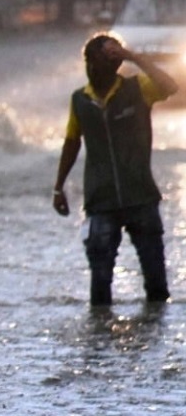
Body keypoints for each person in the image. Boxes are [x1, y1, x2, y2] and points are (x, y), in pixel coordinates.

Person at [52, 33, 179, 306]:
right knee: (99, 288)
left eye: (99, 60)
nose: (92, 67)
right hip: (101, 201)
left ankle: (154, 338)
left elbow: (170, 86)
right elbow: (72, 142)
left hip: (141, 197)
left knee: (157, 288)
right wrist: (58, 187)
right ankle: (100, 341)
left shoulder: (138, 89)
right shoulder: (80, 101)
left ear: (114, 64)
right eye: (89, 61)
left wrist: (133, 56)